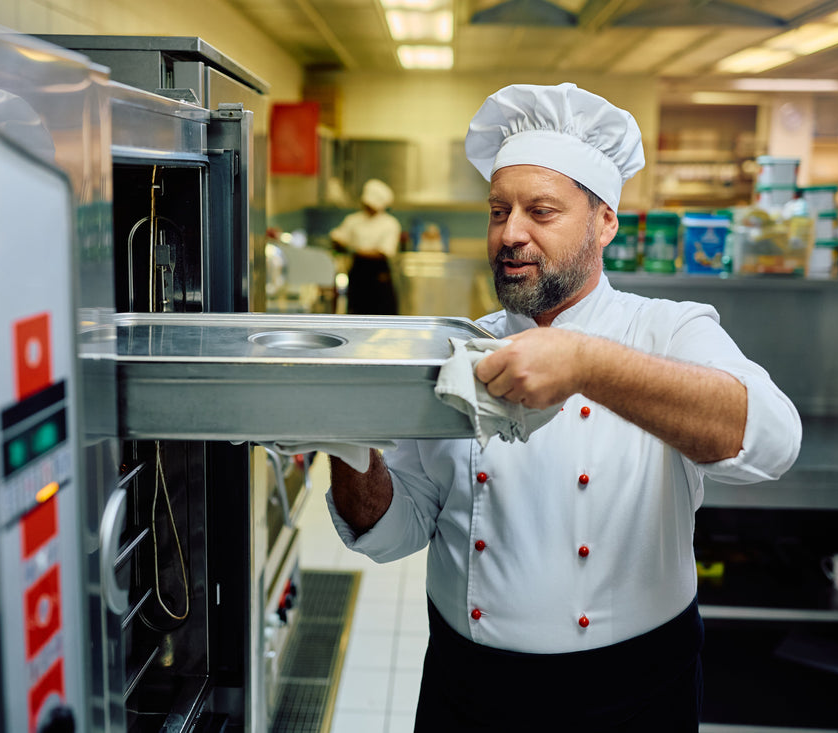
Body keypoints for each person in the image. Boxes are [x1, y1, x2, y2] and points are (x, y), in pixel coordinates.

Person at [325, 82, 802, 731]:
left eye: (540, 211)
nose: (509, 234)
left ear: (604, 221)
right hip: (468, 686)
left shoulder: (665, 330)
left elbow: (772, 440)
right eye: (498, 211)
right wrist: (344, 441)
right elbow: (399, 525)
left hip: (630, 692)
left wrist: (585, 362)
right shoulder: (464, 347)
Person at [330, 178, 402, 314]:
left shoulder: (390, 224)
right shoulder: (353, 220)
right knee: (356, 314)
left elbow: (383, 252)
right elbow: (338, 238)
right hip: (357, 275)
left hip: (379, 277)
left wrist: (353, 250)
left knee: (383, 315)